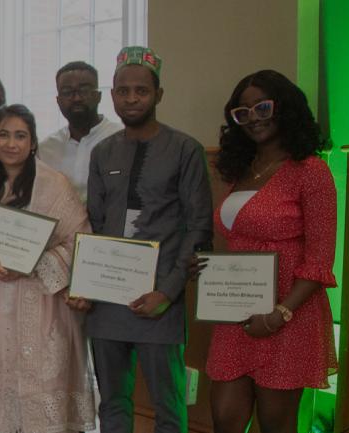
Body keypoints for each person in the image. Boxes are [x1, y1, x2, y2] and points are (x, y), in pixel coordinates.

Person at [70, 46, 212, 433]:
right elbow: (93, 224)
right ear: (112, 95)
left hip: (160, 302)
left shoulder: (185, 150)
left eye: (141, 91)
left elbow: (198, 228)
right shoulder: (103, 153)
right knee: (112, 403)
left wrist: (166, 293)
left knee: (168, 406)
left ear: (158, 95)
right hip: (107, 302)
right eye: (123, 91)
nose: (131, 99)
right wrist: (85, 285)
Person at [0, 105, 96, 432]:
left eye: (20, 136)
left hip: (39, 305)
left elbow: (79, 241)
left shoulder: (55, 186)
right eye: (4, 135)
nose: (11, 143)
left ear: (33, 142)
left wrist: (31, 264)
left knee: (37, 391)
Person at [200, 70, 337, 433]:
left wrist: (279, 314)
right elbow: (231, 241)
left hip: (287, 314)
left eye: (262, 107)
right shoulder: (239, 171)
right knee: (225, 418)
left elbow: (320, 261)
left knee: (277, 423)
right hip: (237, 314)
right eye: (242, 113)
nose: (253, 119)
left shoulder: (311, 171)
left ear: (285, 108)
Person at [38, 61, 124, 200]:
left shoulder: (122, 139)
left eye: (84, 90)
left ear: (98, 96)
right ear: (58, 100)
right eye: (67, 92)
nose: (76, 98)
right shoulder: (46, 149)